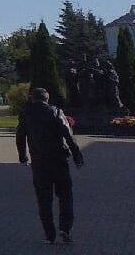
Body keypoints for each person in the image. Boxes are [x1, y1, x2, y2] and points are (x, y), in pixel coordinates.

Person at [16, 86, 85, 243]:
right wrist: (77, 156)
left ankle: (49, 235)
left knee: (44, 198)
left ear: (33, 98)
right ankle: (65, 227)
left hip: (39, 161)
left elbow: (20, 136)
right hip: (58, 159)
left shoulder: (26, 113)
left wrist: (23, 157)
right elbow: (68, 135)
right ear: (47, 99)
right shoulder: (56, 112)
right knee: (65, 195)